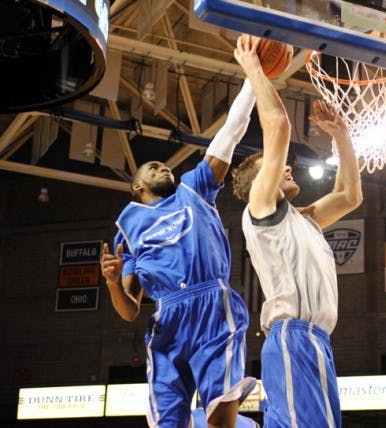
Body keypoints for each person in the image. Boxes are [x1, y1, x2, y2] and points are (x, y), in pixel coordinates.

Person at [100, 78, 259, 428]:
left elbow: (232, 131)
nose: (163, 167)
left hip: (212, 306)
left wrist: (253, 78)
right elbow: (129, 310)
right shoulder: (127, 230)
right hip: (167, 318)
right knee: (167, 424)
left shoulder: (194, 187)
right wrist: (113, 283)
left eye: (164, 164)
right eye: (152, 167)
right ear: (137, 185)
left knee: (221, 418)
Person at [231, 34, 363, 428]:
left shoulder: (302, 218)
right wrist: (254, 68)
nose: (288, 167)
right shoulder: (261, 206)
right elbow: (278, 125)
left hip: (317, 341)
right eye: (276, 167)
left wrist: (341, 135)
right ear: (260, 183)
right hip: (293, 336)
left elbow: (349, 195)